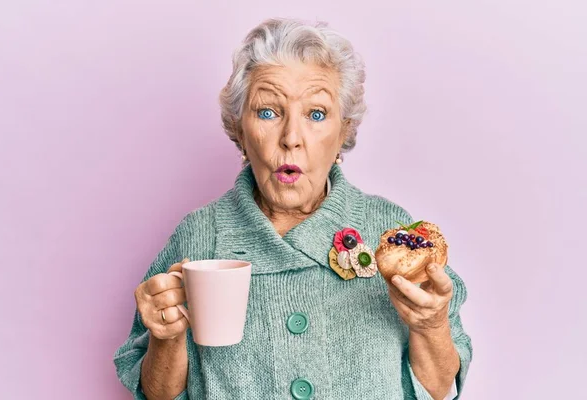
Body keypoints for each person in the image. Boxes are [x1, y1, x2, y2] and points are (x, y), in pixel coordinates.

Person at [114, 17, 472, 400]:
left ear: (344, 131)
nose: (291, 139)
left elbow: (439, 388)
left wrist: (431, 326)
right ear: (239, 129)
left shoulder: (390, 233)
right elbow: (158, 395)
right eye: (268, 111)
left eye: (316, 114)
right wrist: (165, 339)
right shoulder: (200, 236)